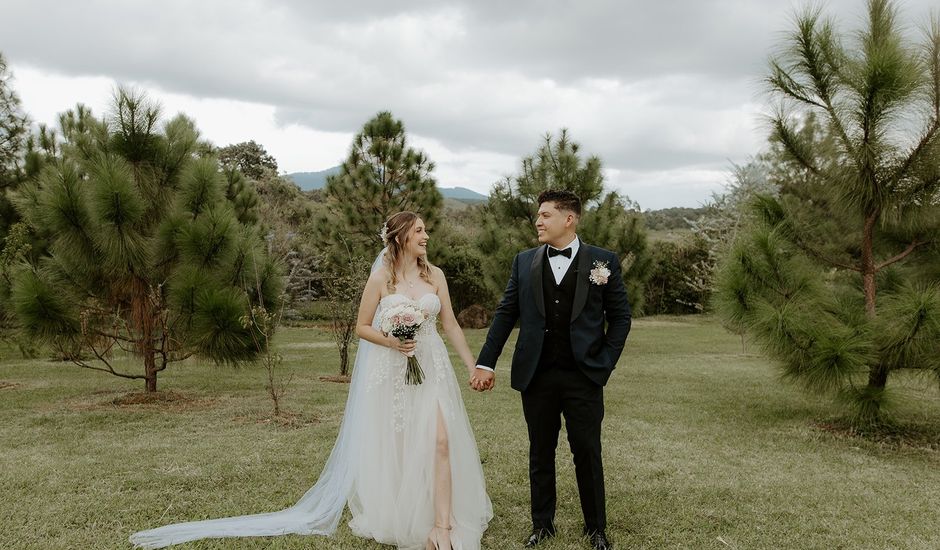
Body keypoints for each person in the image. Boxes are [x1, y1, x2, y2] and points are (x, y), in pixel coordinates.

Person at [131, 211, 492, 550]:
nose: (426, 236)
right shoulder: (381, 278)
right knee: (401, 445)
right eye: (418, 231)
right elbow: (362, 327)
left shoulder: (436, 276)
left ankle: (442, 526)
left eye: (425, 230)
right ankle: (406, 512)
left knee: (441, 440)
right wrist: (393, 341)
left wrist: (472, 365)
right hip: (394, 371)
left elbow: (450, 325)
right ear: (400, 238)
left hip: (432, 366)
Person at [471, 190, 631, 550]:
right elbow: (505, 314)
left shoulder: (603, 262)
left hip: (584, 376)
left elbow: (621, 319)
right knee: (539, 451)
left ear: (568, 219)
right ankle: (542, 525)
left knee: (587, 451)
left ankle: (596, 529)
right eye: (538, 215)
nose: (538, 221)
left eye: (545, 215)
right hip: (537, 375)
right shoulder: (523, 261)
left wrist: (604, 362)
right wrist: (485, 361)